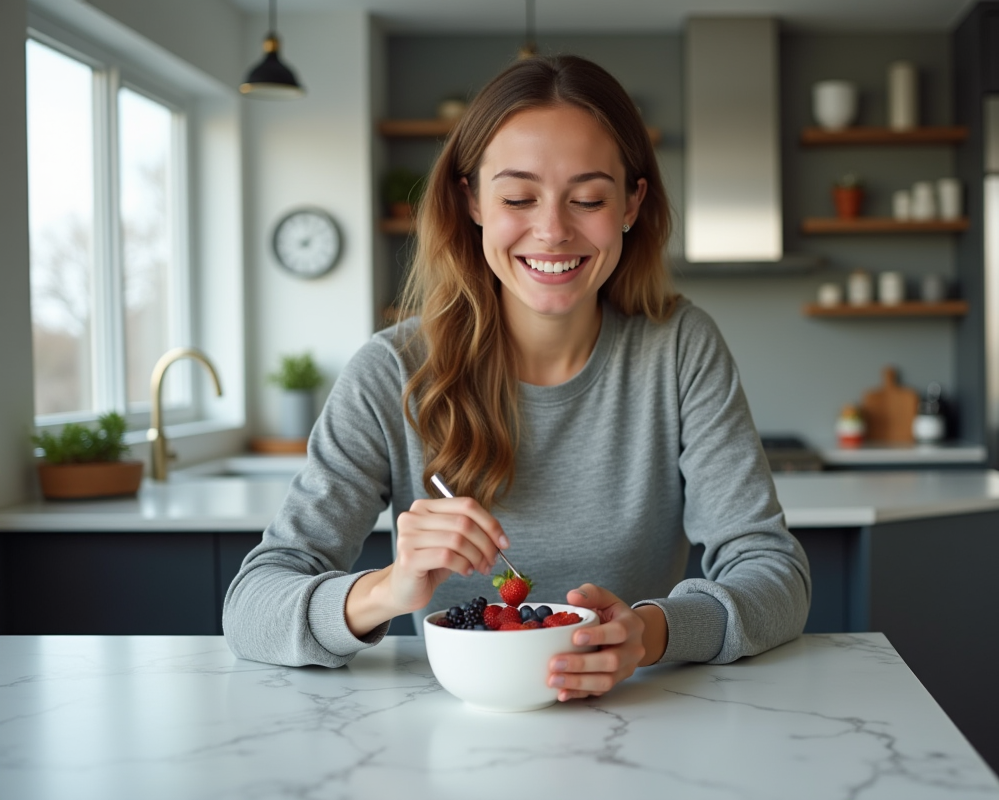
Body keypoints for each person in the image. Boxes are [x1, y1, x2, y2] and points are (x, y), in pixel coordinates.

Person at [223, 54, 811, 703]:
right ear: (471, 199)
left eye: (588, 199)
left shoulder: (678, 348)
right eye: (518, 198)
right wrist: (388, 589)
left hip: (638, 717)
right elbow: (251, 606)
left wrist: (649, 633)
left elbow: (774, 573)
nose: (552, 231)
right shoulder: (390, 371)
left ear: (631, 203)